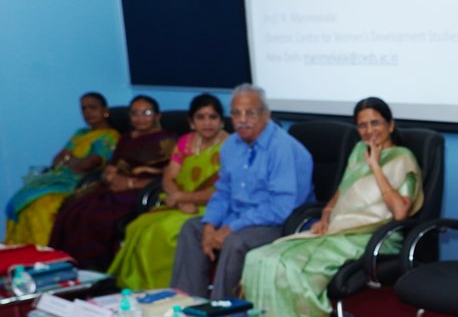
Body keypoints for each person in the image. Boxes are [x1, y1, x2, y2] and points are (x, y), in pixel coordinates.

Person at [241, 98, 423, 317]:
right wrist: (326, 212)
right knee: (260, 259)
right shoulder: (357, 151)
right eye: (362, 125)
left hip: (372, 237)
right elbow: (342, 191)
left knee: (293, 269)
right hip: (338, 231)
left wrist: (375, 166)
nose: (368, 130)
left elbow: (400, 212)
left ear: (390, 124)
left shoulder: (402, 158)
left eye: (375, 122)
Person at [171, 84, 313, 300]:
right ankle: (187, 305)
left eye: (250, 113)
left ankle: (222, 315)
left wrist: (229, 228)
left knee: (234, 241)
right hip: (240, 217)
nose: (242, 120)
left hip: (279, 223)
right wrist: (210, 225)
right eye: (236, 113)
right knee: (192, 229)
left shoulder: (281, 147)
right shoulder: (231, 146)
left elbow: (279, 208)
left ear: (266, 116)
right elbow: (223, 192)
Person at [107, 94, 228, 290]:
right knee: (137, 226)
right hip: (179, 203)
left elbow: (224, 191)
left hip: (212, 208)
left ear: (222, 121)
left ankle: (168, 290)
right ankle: (140, 289)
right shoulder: (186, 142)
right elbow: (169, 177)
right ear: (191, 122)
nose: (207, 123)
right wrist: (180, 200)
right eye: (200, 117)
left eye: (212, 117)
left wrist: (186, 199)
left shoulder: (231, 147)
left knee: (165, 232)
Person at [48, 95, 175, 270]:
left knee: (99, 217)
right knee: (74, 209)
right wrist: (111, 178)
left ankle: (99, 268)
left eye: (146, 112)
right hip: (115, 187)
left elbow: (170, 176)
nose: (140, 117)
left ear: (157, 116)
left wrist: (130, 183)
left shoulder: (169, 141)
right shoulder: (126, 139)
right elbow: (110, 168)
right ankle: (71, 268)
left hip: (144, 189)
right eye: (135, 113)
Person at [5, 92, 119, 246]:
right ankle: (23, 253)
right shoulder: (81, 133)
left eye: (93, 107)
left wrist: (68, 159)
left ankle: (48, 252)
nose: (88, 113)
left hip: (82, 183)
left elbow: (88, 165)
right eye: (84, 109)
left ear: (105, 110)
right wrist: (72, 160)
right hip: (59, 176)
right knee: (24, 198)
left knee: (43, 204)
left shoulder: (109, 136)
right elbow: (56, 159)